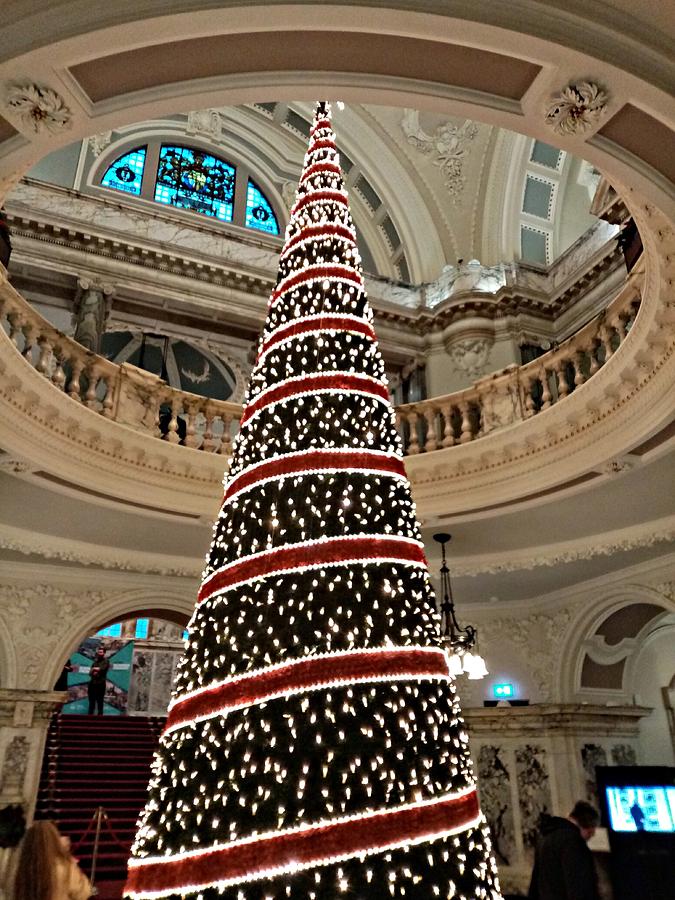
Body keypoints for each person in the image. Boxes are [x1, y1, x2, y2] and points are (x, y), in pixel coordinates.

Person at [528, 800, 600, 900]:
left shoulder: (545, 837)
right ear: (588, 828)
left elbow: (535, 885)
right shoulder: (573, 842)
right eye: (590, 834)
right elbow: (580, 887)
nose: (590, 836)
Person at [10, 819, 92, 900]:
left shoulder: (22, 868)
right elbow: (83, 893)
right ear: (54, 840)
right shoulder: (64, 867)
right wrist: (67, 856)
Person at [87, 646, 109, 715]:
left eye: (101, 652)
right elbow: (90, 673)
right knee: (91, 701)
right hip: (92, 683)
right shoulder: (95, 661)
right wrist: (94, 670)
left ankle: (100, 717)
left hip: (100, 684)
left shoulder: (106, 661)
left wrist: (95, 669)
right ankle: (90, 716)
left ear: (104, 653)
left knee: (100, 701)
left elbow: (102, 669)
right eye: (99, 652)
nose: (99, 653)